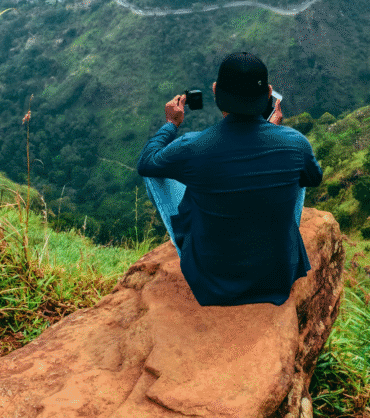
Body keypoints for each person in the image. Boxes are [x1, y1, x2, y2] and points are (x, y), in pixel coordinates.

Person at [137, 51, 323, 307]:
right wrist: (277, 134)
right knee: (296, 168)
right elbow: (313, 178)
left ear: (215, 91)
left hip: (212, 283)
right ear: (269, 94)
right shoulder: (295, 142)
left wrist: (171, 123)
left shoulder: (193, 146)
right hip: (276, 277)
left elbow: (145, 162)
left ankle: (188, 243)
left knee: (155, 173)